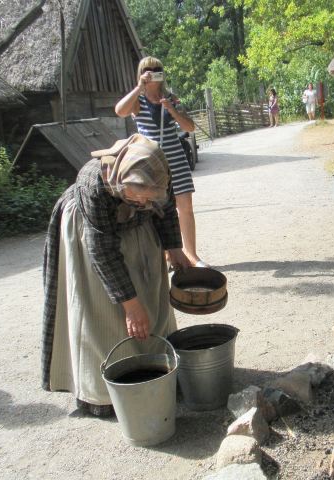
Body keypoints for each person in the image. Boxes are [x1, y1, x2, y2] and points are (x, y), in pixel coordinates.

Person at [41, 134, 191, 416]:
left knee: (151, 298)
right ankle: (105, 393)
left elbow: (167, 208)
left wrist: (174, 248)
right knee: (105, 312)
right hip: (92, 235)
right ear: (122, 181)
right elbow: (103, 251)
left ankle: (159, 370)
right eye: (136, 195)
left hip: (139, 230)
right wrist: (130, 306)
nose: (143, 201)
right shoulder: (94, 183)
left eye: (149, 197)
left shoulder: (157, 169)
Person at [115, 56, 208, 268]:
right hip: (152, 164)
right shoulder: (138, 100)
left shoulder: (171, 98)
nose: (152, 72)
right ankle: (168, 256)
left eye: (156, 69)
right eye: (146, 70)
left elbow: (190, 127)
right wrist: (139, 87)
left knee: (185, 207)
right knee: (157, 210)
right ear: (140, 74)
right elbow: (119, 111)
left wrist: (172, 110)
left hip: (176, 160)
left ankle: (191, 255)